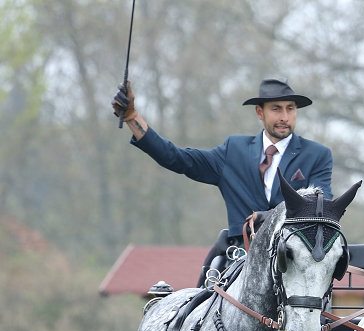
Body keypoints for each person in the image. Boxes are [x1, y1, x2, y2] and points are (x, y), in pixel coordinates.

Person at [111, 78, 334, 249]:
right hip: (238, 255)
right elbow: (177, 158)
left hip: (293, 254)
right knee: (196, 303)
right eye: (276, 109)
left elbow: (318, 208)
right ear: (260, 112)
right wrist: (132, 117)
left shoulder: (317, 155)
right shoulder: (233, 150)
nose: (285, 116)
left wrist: (268, 217)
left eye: (290, 108)